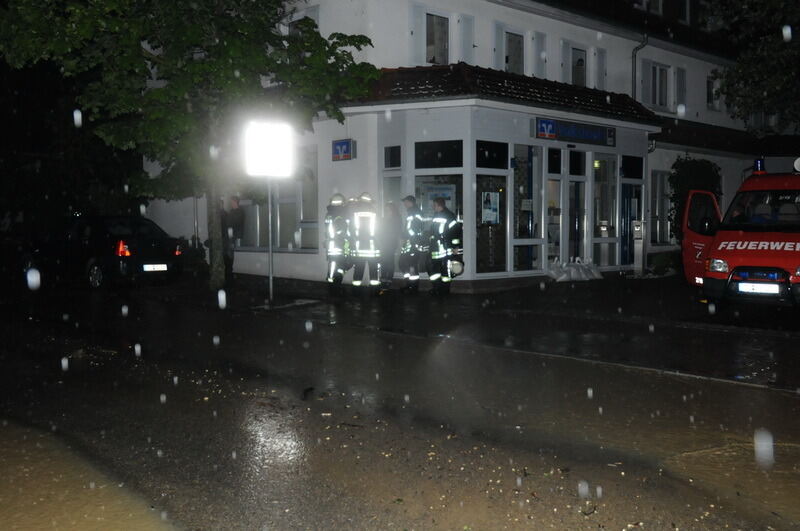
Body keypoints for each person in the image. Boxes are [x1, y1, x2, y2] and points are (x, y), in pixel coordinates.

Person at [428, 197, 463, 295]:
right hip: (436, 248)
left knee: (445, 271)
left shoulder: (450, 216)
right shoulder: (436, 216)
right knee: (433, 269)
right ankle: (437, 288)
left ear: (439, 205)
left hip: (446, 248)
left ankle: (444, 290)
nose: (432, 207)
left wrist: (456, 247)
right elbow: (433, 231)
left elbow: (456, 233)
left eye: (434, 205)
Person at [349, 192, 381, 291]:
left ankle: (356, 291)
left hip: (359, 248)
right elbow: (380, 230)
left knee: (358, 269)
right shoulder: (375, 213)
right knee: (373, 270)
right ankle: (375, 292)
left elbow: (351, 230)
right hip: (373, 248)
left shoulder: (355, 214)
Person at [399, 195, 428, 292]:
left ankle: (413, 286)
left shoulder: (414, 213)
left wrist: (407, 237)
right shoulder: (412, 212)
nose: (404, 204)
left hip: (413, 242)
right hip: (410, 242)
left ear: (410, 202)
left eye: (405, 202)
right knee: (404, 263)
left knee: (411, 264)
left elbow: (413, 229)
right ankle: (409, 284)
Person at [324, 193, 348, 291]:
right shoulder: (339, 215)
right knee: (339, 267)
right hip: (338, 245)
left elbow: (328, 231)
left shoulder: (329, 214)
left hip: (331, 245)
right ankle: (336, 288)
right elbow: (341, 231)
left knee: (332, 266)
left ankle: (332, 287)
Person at [378, 202, 402, 292]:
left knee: (389, 262)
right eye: (386, 209)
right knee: (384, 261)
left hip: (391, 243)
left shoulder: (396, 219)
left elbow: (397, 231)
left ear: (392, 210)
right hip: (384, 243)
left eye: (388, 209)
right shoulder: (384, 219)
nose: (386, 211)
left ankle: (389, 280)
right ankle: (383, 280)